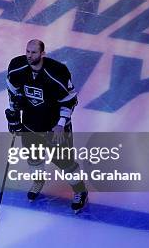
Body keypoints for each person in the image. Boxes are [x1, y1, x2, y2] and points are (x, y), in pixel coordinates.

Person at [5, 39, 88, 213]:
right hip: (30, 122)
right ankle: (38, 181)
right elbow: (12, 90)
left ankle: (80, 191)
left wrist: (60, 124)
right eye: (28, 51)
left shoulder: (57, 72)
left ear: (42, 53)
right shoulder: (17, 66)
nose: (29, 55)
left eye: (34, 52)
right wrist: (13, 113)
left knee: (65, 162)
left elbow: (70, 100)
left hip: (53, 126)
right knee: (33, 157)